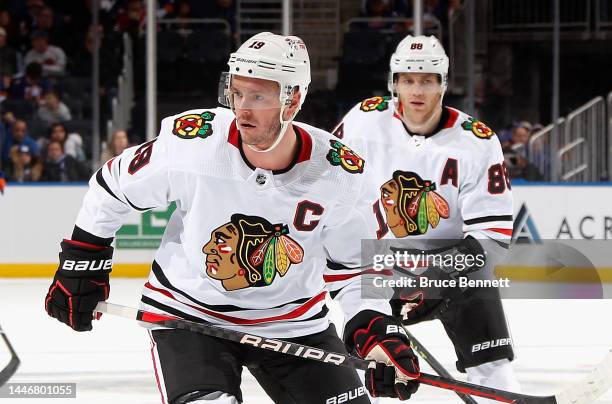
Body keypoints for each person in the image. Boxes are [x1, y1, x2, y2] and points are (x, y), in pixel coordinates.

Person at [44, 32, 420, 403]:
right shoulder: (193, 143)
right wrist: (83, 264)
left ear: (293, 101)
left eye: (257, 96)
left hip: (295, 324)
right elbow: (112, 186)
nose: (241, 109)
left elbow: (355, 269)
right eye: (237, 92)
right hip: (189, 317)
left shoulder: (341, 174)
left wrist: (374, 328)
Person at [334, 35, 521, 403]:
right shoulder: (363, 121)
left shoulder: (478, 141)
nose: (416, 90)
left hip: (454, 270)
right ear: (394, 83)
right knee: (381, 374)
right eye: (407, 79)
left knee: (495, 369)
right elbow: (327, 190)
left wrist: (436, 275)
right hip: (377, 268)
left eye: (427, 80)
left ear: (443, 84)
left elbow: (493, 235)